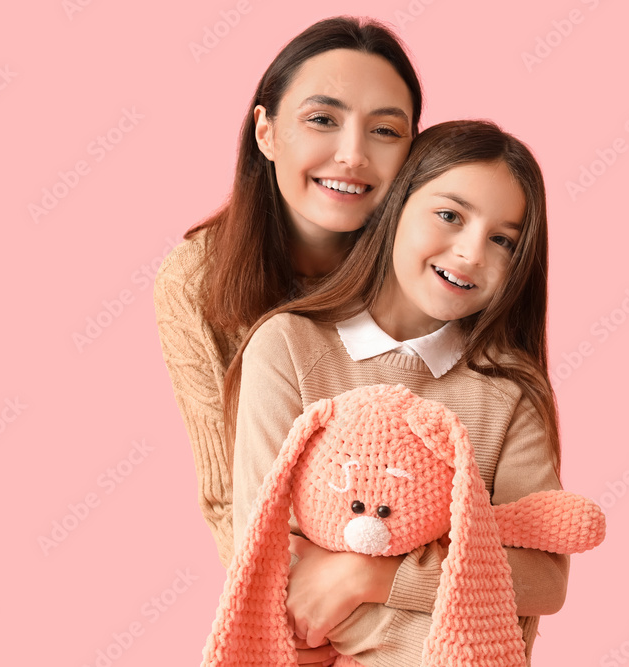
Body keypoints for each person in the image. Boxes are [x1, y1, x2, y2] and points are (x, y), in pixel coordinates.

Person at [227, 120, 568, 667]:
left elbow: (544, 578)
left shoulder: (509, 391)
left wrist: (368, 575)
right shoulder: (288, 346)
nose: (472, 252)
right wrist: (451, 607)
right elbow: (272, 563)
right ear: (394, 206)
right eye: (450, 215)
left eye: (503, 239)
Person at [153, 16, 422, 570]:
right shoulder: (195, 281)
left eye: (386, 130)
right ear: (266, 132)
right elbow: (229, 495)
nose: (353, 154)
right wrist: (285, 606)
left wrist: (371, 586)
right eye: (322, 119)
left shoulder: (434, 270)